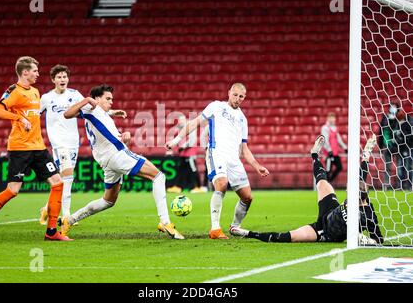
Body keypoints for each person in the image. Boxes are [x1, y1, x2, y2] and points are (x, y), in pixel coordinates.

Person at [60, 84, 184, 240]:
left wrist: (123, 135)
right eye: (108, 98)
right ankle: (165, 222)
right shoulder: (90, 108)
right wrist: (87, 99)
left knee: (108, 201)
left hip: (107, 159)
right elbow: (67, 114)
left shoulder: (101, 114)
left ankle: (69, 220)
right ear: (97, 99)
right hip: (116, 155)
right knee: (158, 176)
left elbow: (106, 125)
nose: (111, 101)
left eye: (112, 99)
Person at [0, 56, 71, 242]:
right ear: (25, 72)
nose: (37, 74)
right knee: (13, 190)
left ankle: (51, 231)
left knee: (58, 183)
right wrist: (19, 118)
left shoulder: (35, 91)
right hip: (20, 148)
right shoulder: (14, 91)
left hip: (38, 147)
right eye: (34, 71)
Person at [165, 83, 269, 239]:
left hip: (234, 159)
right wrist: (176, 140)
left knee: (247, 197)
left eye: (241, 96)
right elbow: (194, 123)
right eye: (235, 95)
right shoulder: (216, 107)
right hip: (216, 152)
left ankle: (235, 226)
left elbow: (244, 148)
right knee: (222, 183)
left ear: (244, 98)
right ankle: (215, 229)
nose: (237, 99)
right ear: (229, 93)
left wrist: (256, 166)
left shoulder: (242, 119)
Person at [237, 135, 384, 245]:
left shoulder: (369, 215)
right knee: (322, 183)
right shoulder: (358, 192)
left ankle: (248, 233)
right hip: (330, 212)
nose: (346, 191)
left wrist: (367, 240)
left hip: (323, 232)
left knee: (290, 237)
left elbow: (379, 239)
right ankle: (314, 154)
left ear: (355, 197)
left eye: (348, 191)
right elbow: (361, 174)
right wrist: (366, 154)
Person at [38, 64, 85, 224]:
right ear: (53, 80)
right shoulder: (46, 98)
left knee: (61, 181)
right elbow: (34, 115)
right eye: (59, 77)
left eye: (65, 76)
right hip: (58, 143)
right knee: (68, 178)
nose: (62, 79)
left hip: (73, 142)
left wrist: (110, 112)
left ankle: (46, 208)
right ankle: (66, 216)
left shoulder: (75, 94)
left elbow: (90, 111)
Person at [321, 112, 347, 182]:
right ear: (328, 119)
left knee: (339, 167)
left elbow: (338, 139)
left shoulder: (335, 128)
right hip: (328, 153)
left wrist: (345, 147)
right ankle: (326, 184)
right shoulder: (325, 128)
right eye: (331, 118)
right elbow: (324, 140)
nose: (332, 119)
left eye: (333, 118)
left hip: (335, 153)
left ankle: (329, 181)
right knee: (328, 169)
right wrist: (329, 150)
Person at [378, 103, 399, 189]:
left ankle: (400, 185)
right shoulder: (385, 118)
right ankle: (386, 185)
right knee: (387, 166)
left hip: (397, 145)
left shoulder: (398, 119)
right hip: (386, 145)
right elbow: (381, 131)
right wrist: (380, 146)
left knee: (400, 166)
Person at [393, 109, 413, 190]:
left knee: (409, 167)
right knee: (401, 168)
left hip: (408, 149)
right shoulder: (397, 125)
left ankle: (409, 185)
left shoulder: (408, 125)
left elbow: (410, 137)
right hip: (400, 150)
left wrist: (402, 139)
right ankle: (400, 185)